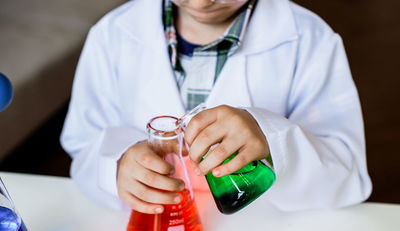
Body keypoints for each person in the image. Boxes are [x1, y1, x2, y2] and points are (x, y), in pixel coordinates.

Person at [60, 0, 372, 212]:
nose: (199, 3)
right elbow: (83, 145)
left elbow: (347, 175)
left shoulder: (310, 40)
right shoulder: (112, 35)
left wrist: (271, 141)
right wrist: (116, 168)